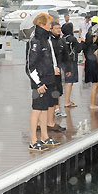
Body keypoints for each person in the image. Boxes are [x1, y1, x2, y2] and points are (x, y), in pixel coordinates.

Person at [26, 13, 61, 151]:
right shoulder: (35, 41)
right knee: (37, 110)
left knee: (45, 109)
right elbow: (30, 66)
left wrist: (53, 69)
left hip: (48, 80)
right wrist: (38, 84)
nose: (50, 25)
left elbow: (47, 59)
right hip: (39, 82)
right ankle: (33, 140)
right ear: (42, 24)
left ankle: (45, 137)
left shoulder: (46, 39)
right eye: (48, 23)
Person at [48, 21, 72, 129]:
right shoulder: (48, 41)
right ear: (51, 29)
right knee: (50, 91)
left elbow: (66, 56)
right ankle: (51, 111)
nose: (58, 30)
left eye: (59, 28)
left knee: (58, 90)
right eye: (56, 28)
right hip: (49, 70)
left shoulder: (62, 40)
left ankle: (57, 109)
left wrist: (68, 68)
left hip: (59, 69)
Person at [61, 22, 82, 108]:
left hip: (63, 61)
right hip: (71, 61)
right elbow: (78, 50)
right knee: (70, 82)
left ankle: (68, 100)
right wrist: (79, 42)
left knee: (67, 81)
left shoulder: (62, 38)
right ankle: (67, 101)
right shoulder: (73, 39)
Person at [83, 17, 98, 109]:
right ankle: (92, 104)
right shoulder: (94, 45)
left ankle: (95, 101)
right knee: (95, 84)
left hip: (89, 64)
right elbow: (97, 54)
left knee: (96, 84)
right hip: (94, 65)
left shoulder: (88, 34)